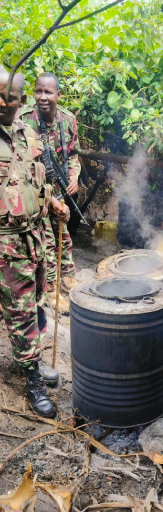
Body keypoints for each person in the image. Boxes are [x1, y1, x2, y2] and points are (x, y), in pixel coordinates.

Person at [0, 69, 68, 416]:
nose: (0, 102)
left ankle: (34, 363)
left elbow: (32, 183)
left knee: (36, 305)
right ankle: (32, 380)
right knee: (22, 313)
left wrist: (53, 203)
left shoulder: (28, 137)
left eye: (8, 97)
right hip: (4, 245)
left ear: (20, 102)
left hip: (33, 239)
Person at [19, 73, 79, 312]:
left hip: (59, 185)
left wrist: (73, 176)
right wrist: (50, 198)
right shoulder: (23, 120)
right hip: (34, 190)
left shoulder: (68, 120)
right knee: (46, 239)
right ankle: (52, 289)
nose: (42, 97)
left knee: (63, 233)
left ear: (58, 95)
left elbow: (73, 154)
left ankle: (67, 278)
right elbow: (24, 169)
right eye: (38, 92)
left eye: (48, 92)